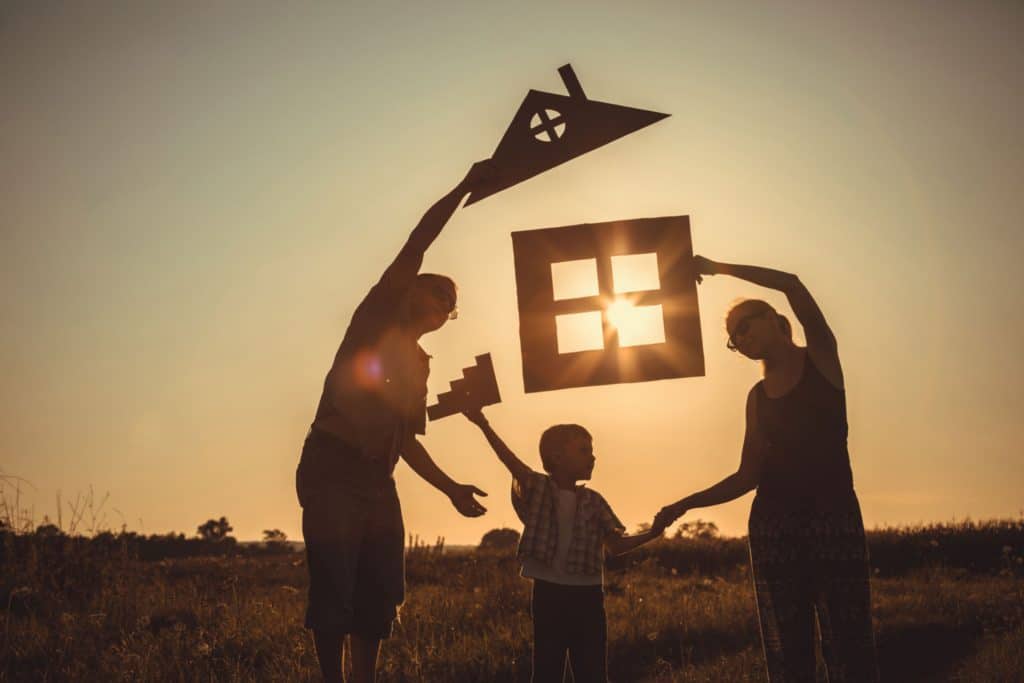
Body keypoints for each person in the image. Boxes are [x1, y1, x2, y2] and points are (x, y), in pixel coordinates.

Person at [296, 162, 493, 683]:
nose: (442, 307)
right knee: (335, 584)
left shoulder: (421, 364)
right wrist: (464, 186)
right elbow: (417, 242)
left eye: (449, 306)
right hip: (333, 467)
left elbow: (406, 439)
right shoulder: (375, 319)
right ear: (410, 291)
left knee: (379, 590)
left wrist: (451, 488)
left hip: (378, 481)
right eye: (436, 295)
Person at [656, 255, 879, 682]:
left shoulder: (821, 359)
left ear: (777, 320)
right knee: (788, 652)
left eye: (744, 325)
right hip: (774, 527)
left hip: (833, 518)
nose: (739, 338)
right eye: (732, 337)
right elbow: (747, 476)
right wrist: (684, 504)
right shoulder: (757, 398)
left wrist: (717, 268)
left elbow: (792, 282)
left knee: (849, 643)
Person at [464, 407, 667, 683]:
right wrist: (483, 423)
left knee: (593, 672)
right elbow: (508, 459)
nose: (593, 457)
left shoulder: (595, 501)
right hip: (549, 594)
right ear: (557, 457)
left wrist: (654, 532)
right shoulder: (537, 487)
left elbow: (616, 545)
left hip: (589, 596)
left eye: (591, 451)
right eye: (583, 450)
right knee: (547, 670)